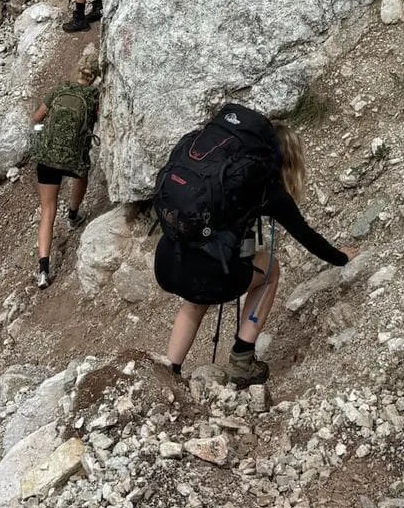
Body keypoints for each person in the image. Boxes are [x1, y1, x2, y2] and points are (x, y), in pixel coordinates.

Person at [153, 107, 357, 387]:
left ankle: (169, 373)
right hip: (214, 276)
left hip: (167, 264)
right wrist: (344, 258)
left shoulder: (218, 174)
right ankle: (242, 359)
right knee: (270, 269)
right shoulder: (263, 187)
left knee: (196, 295)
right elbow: (307, 237)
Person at [31, 44, 101, 289]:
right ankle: (73, 214)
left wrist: (40, 136)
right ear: (95, 76)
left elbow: (37, 118)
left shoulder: (60, 89)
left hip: (47, 157)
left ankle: (42, 269)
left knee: (47, 210)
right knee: (82, 173)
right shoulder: (93, 97)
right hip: (73, 158)